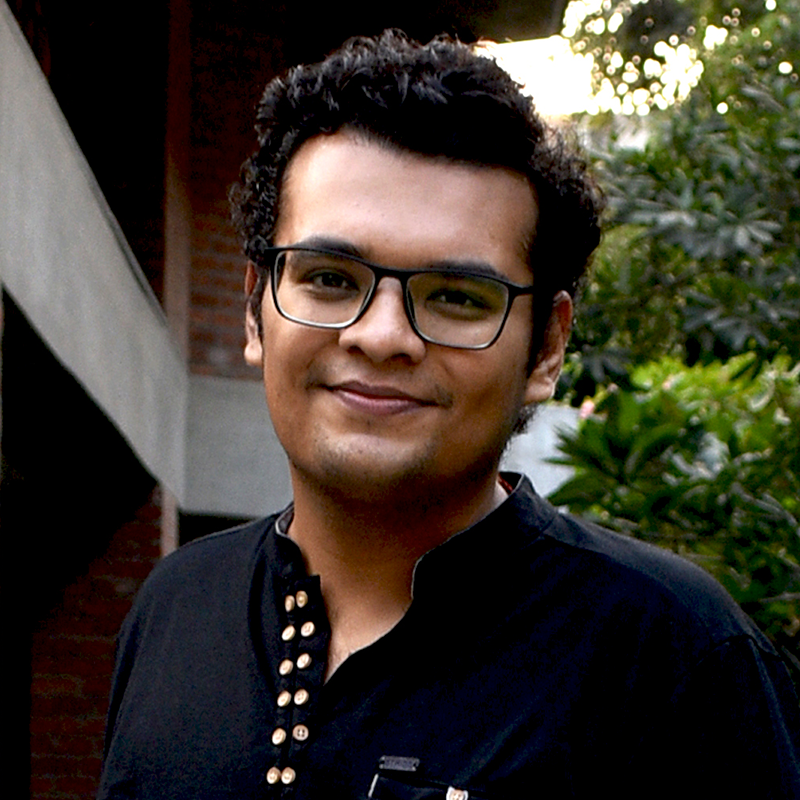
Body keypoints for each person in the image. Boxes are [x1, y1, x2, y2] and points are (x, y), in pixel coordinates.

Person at [98, 30, 800, 799]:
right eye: (330, 279)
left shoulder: (673, 656)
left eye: (459, 298)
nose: (383, 336)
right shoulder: (175, 608)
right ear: (255, 309)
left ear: (547, 348)